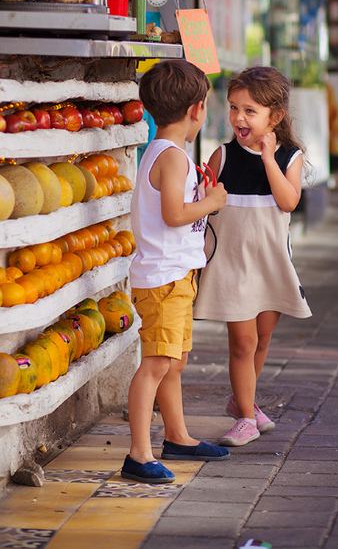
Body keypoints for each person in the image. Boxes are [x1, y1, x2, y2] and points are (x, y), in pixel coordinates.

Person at [121, 60, 229, 484]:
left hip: (176, 275)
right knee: (156, 363)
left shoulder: (166, 153)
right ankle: (138, 454)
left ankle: (177, 436)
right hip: (164, 278)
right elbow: (174, 214)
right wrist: (211, 203)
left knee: (175, 360)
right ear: (197, 109)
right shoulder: (173, 157)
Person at [193, 66, 312, 447]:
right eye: (233, 108)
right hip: (232, 263)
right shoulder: (222, 155)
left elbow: (288, 201)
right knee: (242, 344)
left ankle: (242, 400)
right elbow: (205, 203)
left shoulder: (290, 157)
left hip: (271, 263)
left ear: (274, 117)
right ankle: (246, 416)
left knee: (261, 340)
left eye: (249, 111)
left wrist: (268, 159)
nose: (239, 118)